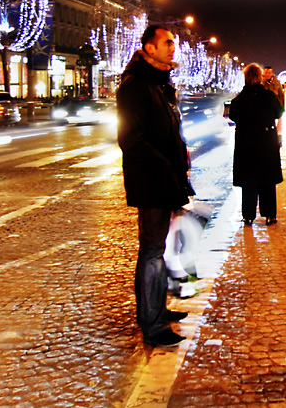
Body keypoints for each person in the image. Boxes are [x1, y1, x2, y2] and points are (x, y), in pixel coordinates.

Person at [116, 24, 195, 348]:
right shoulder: (136, 86)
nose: (172, 48)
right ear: (148, 48)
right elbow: (132, 139)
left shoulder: (160, 85)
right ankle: (151, 322)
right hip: (151, 182)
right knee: (151, 251)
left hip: (164, 180)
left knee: (158, 249)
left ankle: (158, 308)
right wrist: (166, 169)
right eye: (166, 43)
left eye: (173, 43)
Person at [228, 63, 284, 225]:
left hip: (246, 144)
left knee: (248, 182)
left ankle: (248, 215)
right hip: (266, 142)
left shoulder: (239, 99)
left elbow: (233, 116)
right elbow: (280, 111)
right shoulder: (268, 96)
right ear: (260, 77)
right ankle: (270, 214)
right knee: (267, 180)